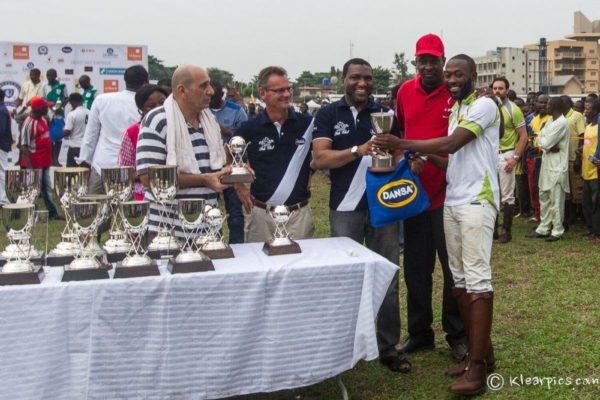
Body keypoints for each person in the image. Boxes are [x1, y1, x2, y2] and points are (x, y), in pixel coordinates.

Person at [373, 54, 500, 395]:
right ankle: (482, 354)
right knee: (458, 282)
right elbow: (451, 158)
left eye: (459, 74)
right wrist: (423, 156)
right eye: (449, 75)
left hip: (477, 200)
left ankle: (477, 369)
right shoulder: (458, 109)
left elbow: (452, 143)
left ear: (474, 75)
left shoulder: (484, 105)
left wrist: (401, 143)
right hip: (454, 199)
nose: (452, 79)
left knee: (476, 281)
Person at [312, 58, 409, 373]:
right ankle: (345, 345)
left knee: (388, 275)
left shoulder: (385, 114)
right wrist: (359, 150)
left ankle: (388, 345)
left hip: (382, 205)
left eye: (367, 78)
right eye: (356, 77)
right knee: (345, 278)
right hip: (345, 207)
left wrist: (392, 162)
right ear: (344, 80)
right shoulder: (328, 114)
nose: (363, 83)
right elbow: (321, 157)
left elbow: (398, 152)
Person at [394, 34, 466, 361]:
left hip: (449, 195)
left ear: (442, 60)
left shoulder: (455, 94)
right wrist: (406, 158)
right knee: (416, 269)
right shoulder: (405, 92)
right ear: (416, 62)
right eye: (421, 60)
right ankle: (420, 333)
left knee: (453, 270)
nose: (427, 65)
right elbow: (399, 132)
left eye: (433, 60)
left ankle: (457, 335)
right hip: (414, 196)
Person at [136, 65, 230, 239]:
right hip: (168, 231)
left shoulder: (209, 121)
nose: (210, 91)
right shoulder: (158, 120)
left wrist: (234, 172)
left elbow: (215, 170)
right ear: (182, 90)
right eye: (203, 86)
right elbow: (148, 177)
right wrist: (203, 180)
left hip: (208, 229)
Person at [234, 66, 315, 243]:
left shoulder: (307, 123)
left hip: (297, 215)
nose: (286, 94)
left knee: (301, 269)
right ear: (263, 93)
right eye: (279, 90)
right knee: (260, 267)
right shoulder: (249, 127)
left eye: (288, 89)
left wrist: (311, 171)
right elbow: (229, 154)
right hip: (263, 215)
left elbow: (321, 151)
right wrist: (240, 187)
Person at [78, 65, 148, 194]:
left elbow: (90, 136)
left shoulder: (102, 100)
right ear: (146, 83)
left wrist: (84, 163)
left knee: (96, 212)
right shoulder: (147, 104)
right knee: (127, 213)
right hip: (132, 171)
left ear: (125, 80)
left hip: (102, 167)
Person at [525, 97, 569, 242]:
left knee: (556, 199)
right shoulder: (550, 121)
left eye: (548, 104)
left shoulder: (562, 123)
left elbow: (546, 142)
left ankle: (557, 230)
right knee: (543, 196)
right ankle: (543, 228)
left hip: (557, 166)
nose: (545, 106)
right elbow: (542, 140)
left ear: (555, 106)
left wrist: (544, 142)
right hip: (546, 163)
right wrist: (544, 142)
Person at [209, 81, 248, 244]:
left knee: (235, 211)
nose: (210, 98)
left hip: (232, 168)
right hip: (209, 169)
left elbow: (244, 137)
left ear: (221, 96)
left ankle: (237, 246)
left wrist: (225, 131)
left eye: (215, 96)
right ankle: (212, 243)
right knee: (210, 210)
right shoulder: (201, 110)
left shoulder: (236, 111)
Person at [491, 77, 528, 243]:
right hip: (490, 154)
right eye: (495, 88)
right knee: (491, 194)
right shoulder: (489, 107)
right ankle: (492, 231)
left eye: (501, 88)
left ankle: (507, 231)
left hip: (506, 154)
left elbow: (523, 136)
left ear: (507, 90)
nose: (497, 91)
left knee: (507, 196)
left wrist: (515, 158)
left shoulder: (513, 109)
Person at [118, 85, 168, 200]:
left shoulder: (177, 127)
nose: (159, 108)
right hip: (143, 195)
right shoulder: (132, 132)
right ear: (141, 110)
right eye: (151, 106)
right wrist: (144, 173)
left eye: (162, 102)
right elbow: (125, 173)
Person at [18, 96, 59, 219]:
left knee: (46, 189)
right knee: (33, 191)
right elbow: (23, 145)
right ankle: (33, 215)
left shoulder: (44, 119)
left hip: (44, 161)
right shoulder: (28, 123)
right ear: (39, 109)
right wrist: (29, 166)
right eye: (46, 107)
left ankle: (53, 213)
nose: (48, 108)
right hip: (34, 163)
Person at [561, 95, 586, 227]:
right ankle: (571, 216)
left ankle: (582, 217)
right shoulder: (560, 117)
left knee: (578, 189)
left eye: (564, 103)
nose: (562, 105)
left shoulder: (577, 115)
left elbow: (582, 135)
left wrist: (578, 157)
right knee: (567, 190)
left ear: (570, 104)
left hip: (574, 158)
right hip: (563, 159)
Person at [526, 94, 551, 222]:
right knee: (533, 187)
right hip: (532, 157)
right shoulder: (534, 119)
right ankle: (536, 213)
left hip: (544, 157)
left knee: (543, 187)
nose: (542, 105)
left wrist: (537, 146)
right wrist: (530, 144)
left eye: (545, 102)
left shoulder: (551, 119)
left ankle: (545, 214)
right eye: (540, 102)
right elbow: (531, 136)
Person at [580, 100, 600, 239]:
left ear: (596, 111)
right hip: (585, 170)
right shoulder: (588, 126)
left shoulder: (598, 126)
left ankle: (597, 231)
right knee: (586, 203)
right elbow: (588, 144)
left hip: (595, 172)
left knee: (596, 204)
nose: (585, 111)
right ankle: (590, 228)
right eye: (585, 108)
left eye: (588, 108)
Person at [45, 69, 69, 166]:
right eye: (48, 75)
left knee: (59, 137)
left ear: (55, 75)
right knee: (49, 138)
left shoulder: (62, 85)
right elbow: (43, 98)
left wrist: (60, 106)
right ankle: (50, 160)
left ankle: (56, 160)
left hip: (59, 114)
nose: (49, 77)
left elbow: (66, 98)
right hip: (47, 114)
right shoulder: (45, 86)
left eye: (51, 75)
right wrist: (49, 106)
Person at [62, 93, 88, 167]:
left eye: (70, 103)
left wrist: (62, 130)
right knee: (85, 173)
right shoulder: (89, 112)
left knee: (71, 174)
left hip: (75, 148)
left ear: (73, 101)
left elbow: (67, 132)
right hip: (86, 148)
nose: (70, 104)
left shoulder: (72, 114)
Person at [0, 89, 12, 205]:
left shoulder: (1, 110)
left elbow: (1, 129)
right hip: (2, 144)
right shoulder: (3, 109)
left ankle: (3, 199)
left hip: (1, 145)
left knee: (2, 172)